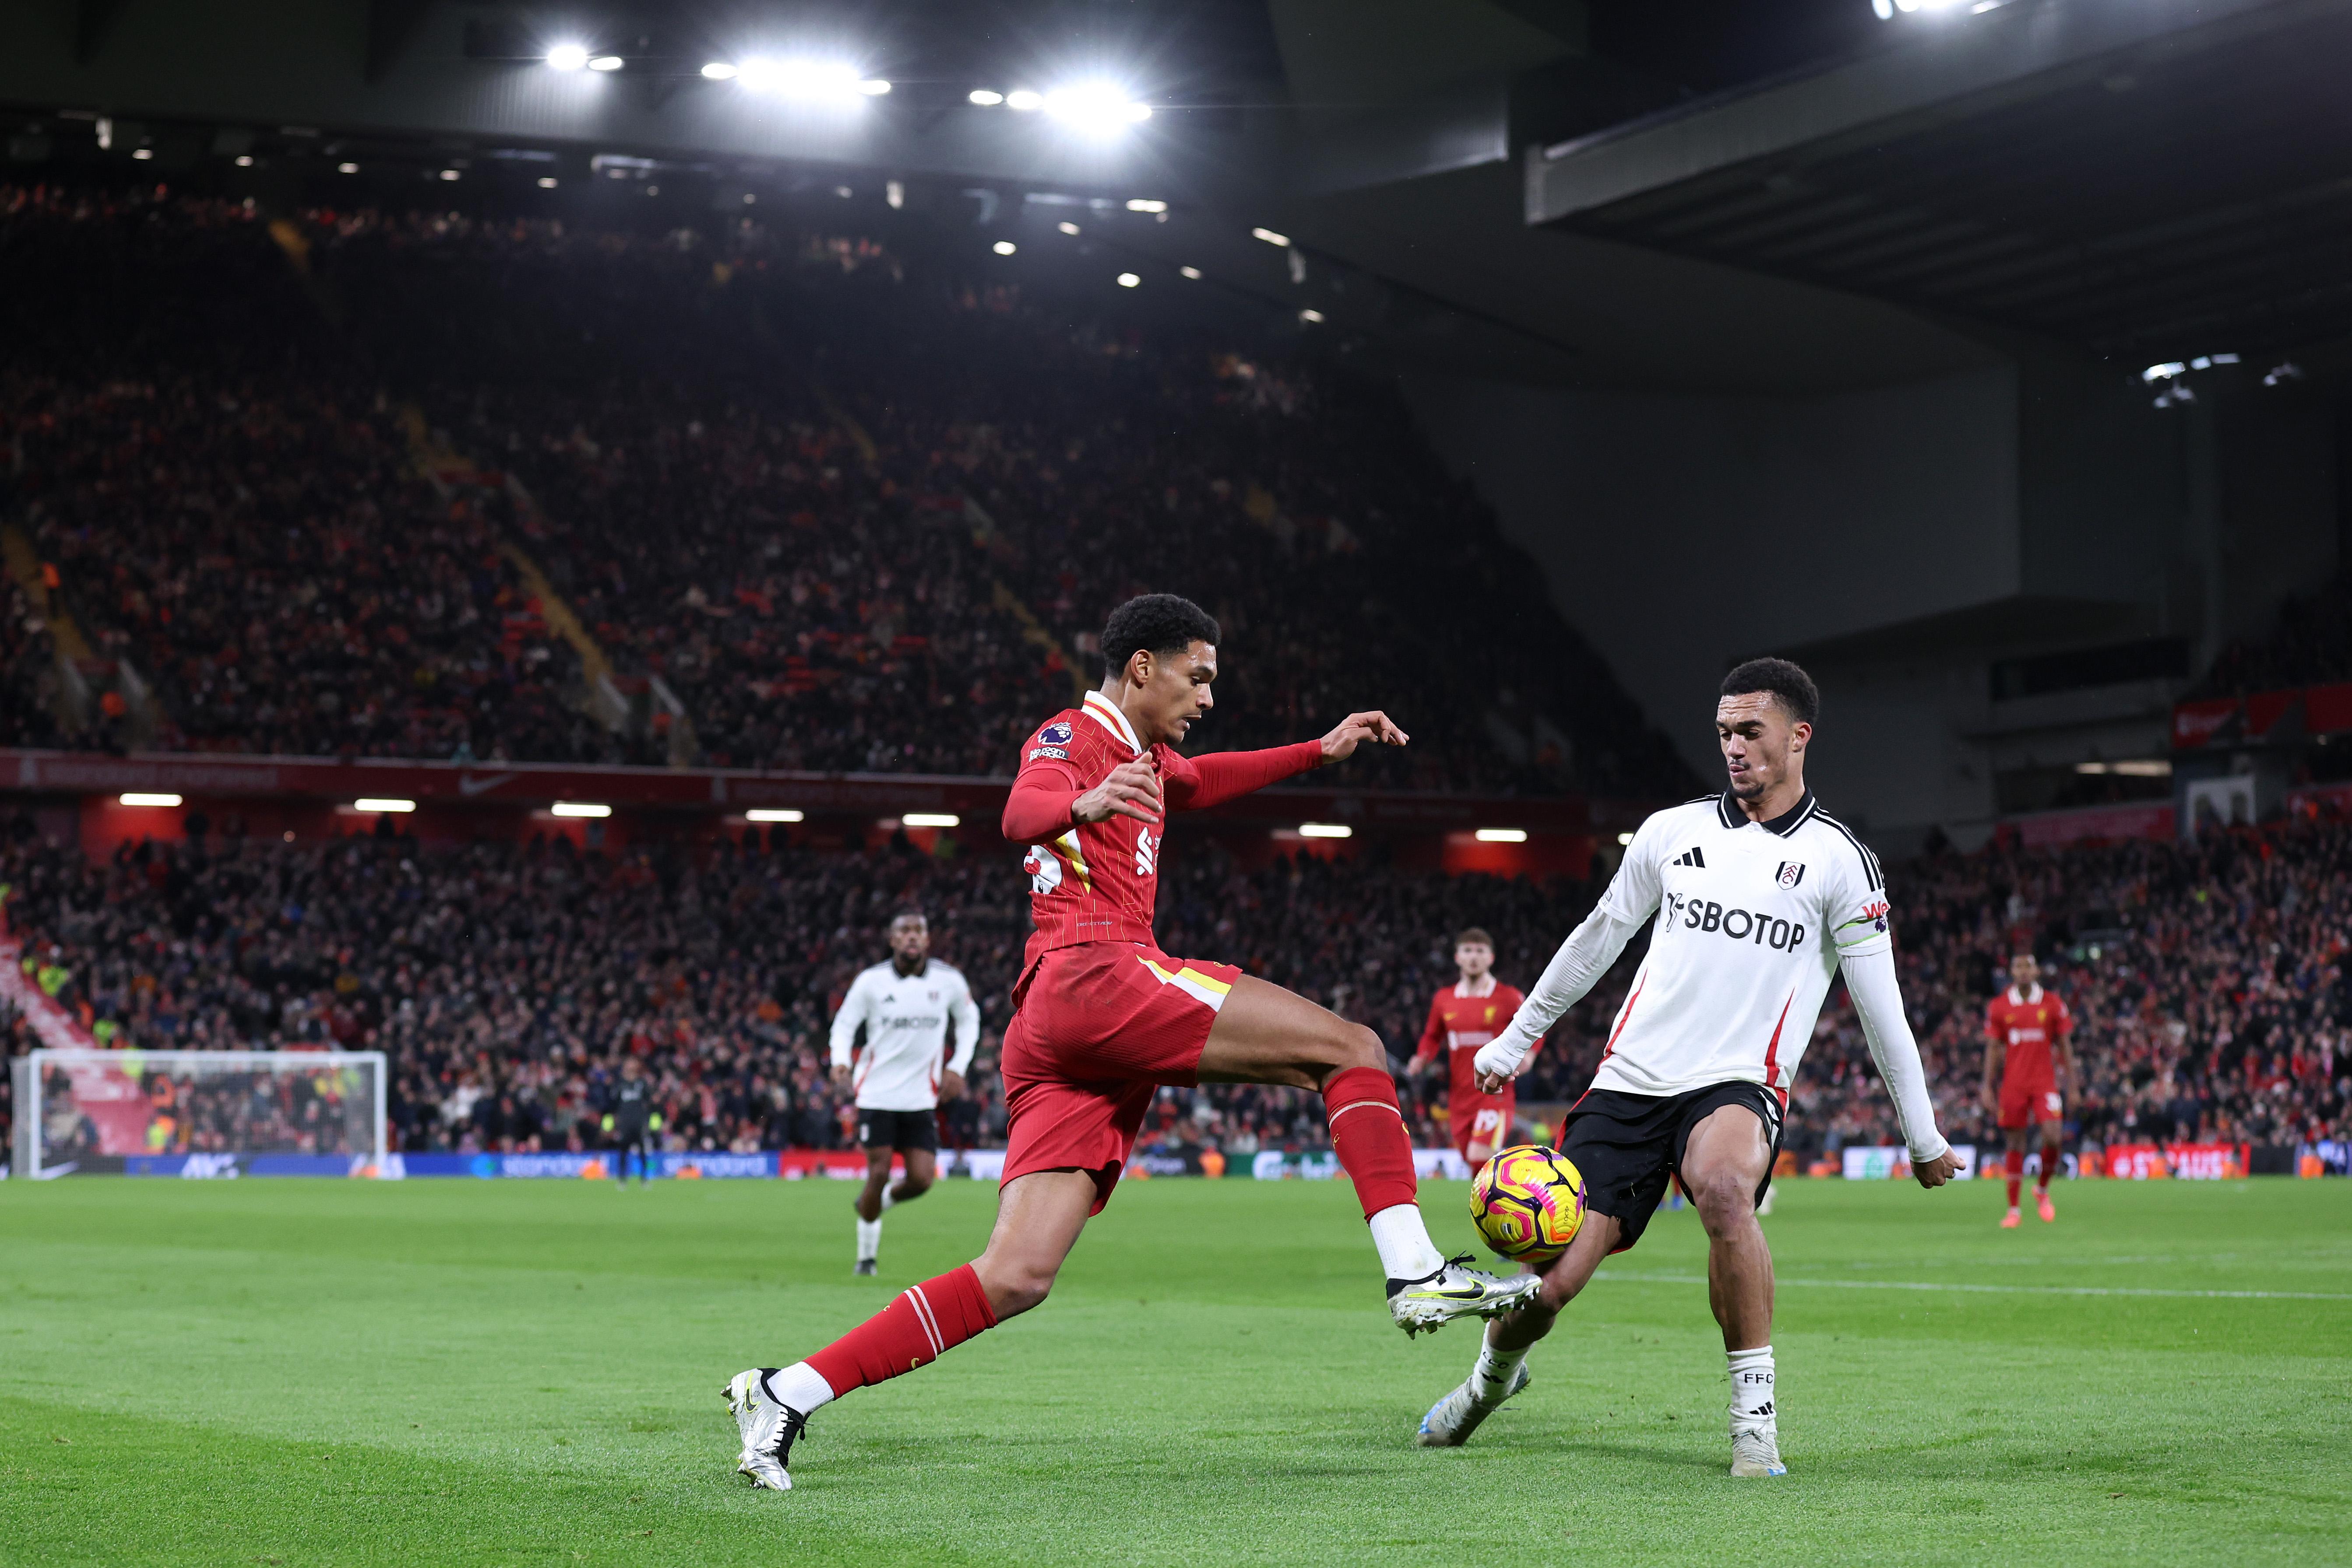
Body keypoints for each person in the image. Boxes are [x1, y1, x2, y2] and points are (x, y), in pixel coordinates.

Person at [725, 592, 1537, 1490]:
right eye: (1200, 676)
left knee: (1017, 1271)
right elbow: (1018, 810)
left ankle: (784, 1388)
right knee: (1353, 1048)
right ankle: (1412, 1268)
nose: (1209, 696)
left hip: (1060, 1027)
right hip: (1096, 973)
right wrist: (1081, 799)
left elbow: (1206, 779)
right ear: (1142, 666)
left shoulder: (1148, 757)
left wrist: (1321, 748)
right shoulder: (1074, 735)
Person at [1415, 657, 1958, 1477]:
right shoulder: (1673, 832)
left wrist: (1921, 1135)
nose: (1733, 748)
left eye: (1750, 732)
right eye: (1723, 734)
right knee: (1552, 1287)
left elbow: (1882, 1009)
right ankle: (1490, 1380)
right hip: (1630, 1081)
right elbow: (1598, 937)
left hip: (1738, 1082)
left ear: (1798, 736)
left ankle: (1753, 1423)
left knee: (1725, 1188)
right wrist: (1516, 1037)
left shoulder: (1839, 862)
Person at [828, 910, 980, 1275]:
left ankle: (875, 1202)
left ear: (927, 939)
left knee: (922, 1179)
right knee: (878, 1170)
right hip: (877, 1093)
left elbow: (969, 1021)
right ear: (893, 939)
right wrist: (840, 1061)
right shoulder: (871, 982)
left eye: (918, 931)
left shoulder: (948, 981)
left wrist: (958, 1066)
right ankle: (866, 1259)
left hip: (920, 1097)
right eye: (904, 931)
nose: (912, 937)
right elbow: (845, 1023)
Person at [1411, 927, 1529, 1170]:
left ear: (1491, 957)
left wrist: (1530, 1056)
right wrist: (1422, 1058)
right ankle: (1509, 1190)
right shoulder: (1444, 999)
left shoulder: (1508, 997)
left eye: (1480, 951)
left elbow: (1537, 1025)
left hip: (1495, 1093)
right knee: (1474, 1162)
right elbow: (1432, 1036)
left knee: (1480, 1156)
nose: (1473, 957)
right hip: (1460, 1098)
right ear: (1457, 957)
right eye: (1467, 950)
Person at [1982, 951, 2074, 1228]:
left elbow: (2065, 1047)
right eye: (2018, 966)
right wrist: (1987, 1086)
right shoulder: (2000, 1007)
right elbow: (1993, 1049)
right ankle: (2014, 1210)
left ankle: (2042, 1189)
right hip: (2014, 1084)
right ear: (2012, 972)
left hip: (2045, 1083)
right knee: (2015, 1144)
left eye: (2028, 967)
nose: (2023, 971)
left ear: (2036, 972)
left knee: (2054, 1137)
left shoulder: (2053, 1004)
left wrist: (2074, 1084)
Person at [604, 1055, 657, 1186]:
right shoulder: (619, 1083)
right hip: (624, 1122)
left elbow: (649, 1102)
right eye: (629, 1063)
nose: (631, 1066)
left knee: (642, 1149)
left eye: (634, 1063)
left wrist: (648, 1120)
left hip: (639, 1121)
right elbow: (613, 1103)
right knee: (623, 1149)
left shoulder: (642, 1083)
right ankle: (622, 1178)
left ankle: (645, 1178)